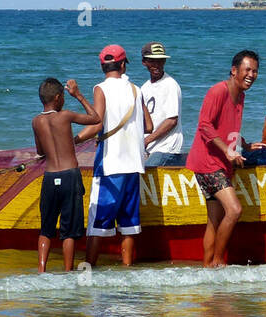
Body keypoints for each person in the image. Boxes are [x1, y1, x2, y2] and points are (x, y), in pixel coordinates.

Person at [186, 50, 266, 267]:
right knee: (234, 210)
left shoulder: (240, 95)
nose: (251, 75)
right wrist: (227, 151)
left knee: (213, 221)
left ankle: (207, 268)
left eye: (255, 71)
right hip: (208, 163)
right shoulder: (218, 91)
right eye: (247, 70)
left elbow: (227, 126)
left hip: (220, 164)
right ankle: (218, 262)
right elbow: (204, 124)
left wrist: (244, 144)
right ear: (234, 71)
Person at [76, 45, 153, 267]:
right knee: (129, 225)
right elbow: (149, 125)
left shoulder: (100, 88)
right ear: (123, 64)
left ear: (102, 66)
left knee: (98, 224)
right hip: (134, 164)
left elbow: (96, 122)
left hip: (110, 164)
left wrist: (74, 140)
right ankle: (127, 269)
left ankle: (88, 269)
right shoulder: (136, 90)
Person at [32, 77, 100, 272]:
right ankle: (68, 272)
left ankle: (41, 271)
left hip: (50, 177)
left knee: (46, 229)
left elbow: (40, 150)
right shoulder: (66, 115)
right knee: (68, 231)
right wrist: (78, 95)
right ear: (58, 97)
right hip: (70, 176)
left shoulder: (36, 121)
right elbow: (95, 118)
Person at [138, 41, 186, 167]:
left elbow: (171, 121)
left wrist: (147, 140)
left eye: (160, 61)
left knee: (143, 176)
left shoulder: (170, 85)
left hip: (168, 149)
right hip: (151, 148)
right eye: (152, 61)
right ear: (144, 62)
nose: (157, 65)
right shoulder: (144, 88)